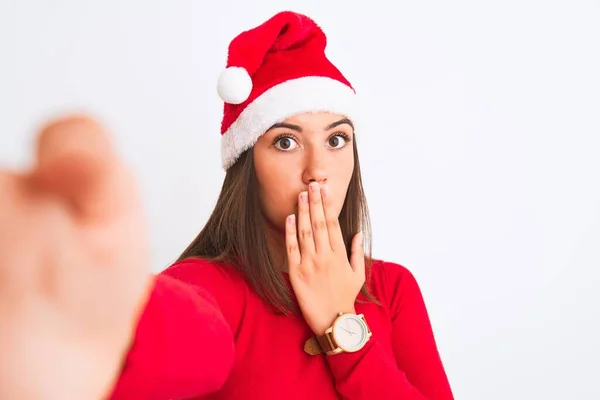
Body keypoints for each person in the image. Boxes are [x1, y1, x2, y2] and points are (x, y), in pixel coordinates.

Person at [0, 10, 454, 400]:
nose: (318, 169)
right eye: (286, 142)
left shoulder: (392, 289)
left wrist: (343, 327)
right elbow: (173, 333)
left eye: (337, 139)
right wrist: (96, 313)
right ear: (246, 165)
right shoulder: (209, 288)